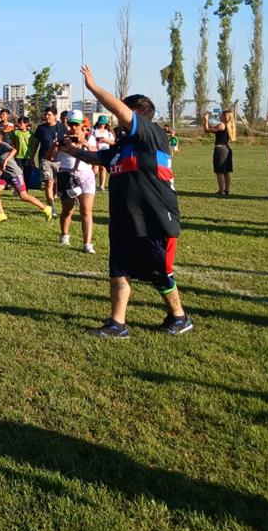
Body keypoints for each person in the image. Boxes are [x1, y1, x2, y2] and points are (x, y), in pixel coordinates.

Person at [60, 65, 192, 338]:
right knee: (119, 268)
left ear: (136, 114)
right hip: (124, 218)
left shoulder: (151, 133)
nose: (117, 116)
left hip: (152, 217)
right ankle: (117, 324)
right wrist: (71, 149)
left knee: (159, 272)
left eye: (123, 111)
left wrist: (93, 87)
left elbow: (121, 110)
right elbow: (100, 159)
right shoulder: (124, 147)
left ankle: (179, 316)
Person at [51, 110, 97, 253]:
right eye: (70, 124)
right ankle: (64, 234)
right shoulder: (63, 139)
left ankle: (87, 243)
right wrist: (57, 146)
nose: (73, 128)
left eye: (76, 124)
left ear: (82, 124)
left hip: (86, 175)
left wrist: (85, 145)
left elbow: (97, 154)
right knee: (68, 210)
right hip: (67, 174)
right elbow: (49, 157)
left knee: (86, 210)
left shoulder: (90, 138)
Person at [0, 128, 51, 222]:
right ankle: (1, 214)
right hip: (6, 174)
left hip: (15, 173)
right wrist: (1, 169)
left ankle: (45, 208)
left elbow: (14, 150)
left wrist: (6, 160)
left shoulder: (3, 145)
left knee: (23, 196)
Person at [27, 107, 65, 212]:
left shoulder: (62, 127)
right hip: (45, 159)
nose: (47, 117)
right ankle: (51, 207)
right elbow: (35, 143)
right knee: (49, 182)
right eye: (45, 115)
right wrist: (32, 157)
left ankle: (60, 200)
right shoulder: (41, 128)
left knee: (57, 183)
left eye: (49, 115)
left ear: (55, 116)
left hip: (59, 159)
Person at [204, 109, 237, 195]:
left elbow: (207, 130)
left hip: (220, 150)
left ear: (226, 117)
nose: (220, 116)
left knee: (219, 171)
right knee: (226, 171)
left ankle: (221, 190)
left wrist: (206, 120)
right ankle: (226, 190)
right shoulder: (228, 126)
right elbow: (212, 127)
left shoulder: (222, 125)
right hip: (227, 149)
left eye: (221, 115)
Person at [93, 116, 114, 191]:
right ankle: (93, 183)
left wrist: (105, 140)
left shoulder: (108, 132)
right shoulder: (94, 131)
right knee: (95, 168)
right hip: (96, 150)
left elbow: (112, 142)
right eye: (100, 123)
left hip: (105, 151)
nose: (101, 125)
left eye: (103, 124)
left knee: (103, 169)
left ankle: (102, 186)